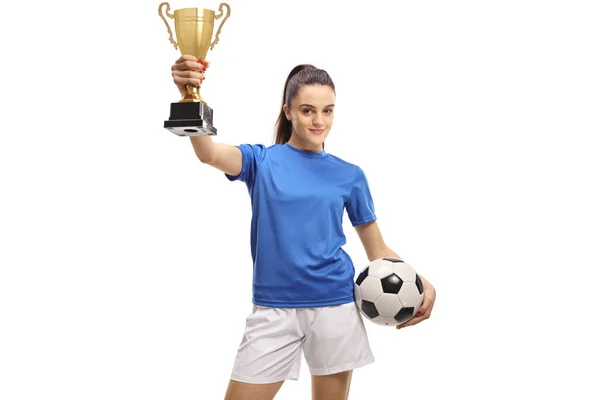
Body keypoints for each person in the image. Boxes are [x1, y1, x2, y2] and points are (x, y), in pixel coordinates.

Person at [170, 55, 437, 400]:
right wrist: (189, 94)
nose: (319, 120)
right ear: (288, 112)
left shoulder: (350, 175)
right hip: (274, 309)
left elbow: (377, 250)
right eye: (308, 110)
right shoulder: (261, 161)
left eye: (328, 110)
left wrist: (419, 279)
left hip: (336, 307)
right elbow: (207, 153)